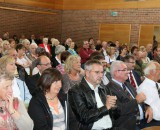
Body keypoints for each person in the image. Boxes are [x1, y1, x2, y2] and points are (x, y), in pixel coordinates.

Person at [68, 60, 120, 130]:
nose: (101, 75)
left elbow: (116, 116)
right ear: (87, 73)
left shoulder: (104, 88)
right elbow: (84, 117)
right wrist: (106, 107)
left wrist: (114, 107)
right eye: (97, 72)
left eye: (102, 72)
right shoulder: (76, 91)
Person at [106, 61, 153, 130]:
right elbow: (118, 111)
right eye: (124, 70)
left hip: (143, 120)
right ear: (116, 72)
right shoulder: (109, 89)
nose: (128, 72)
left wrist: (147, 107)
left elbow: (139, 100)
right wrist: (136, 101)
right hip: (128, 125)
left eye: (127, 69)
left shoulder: (128, 84)